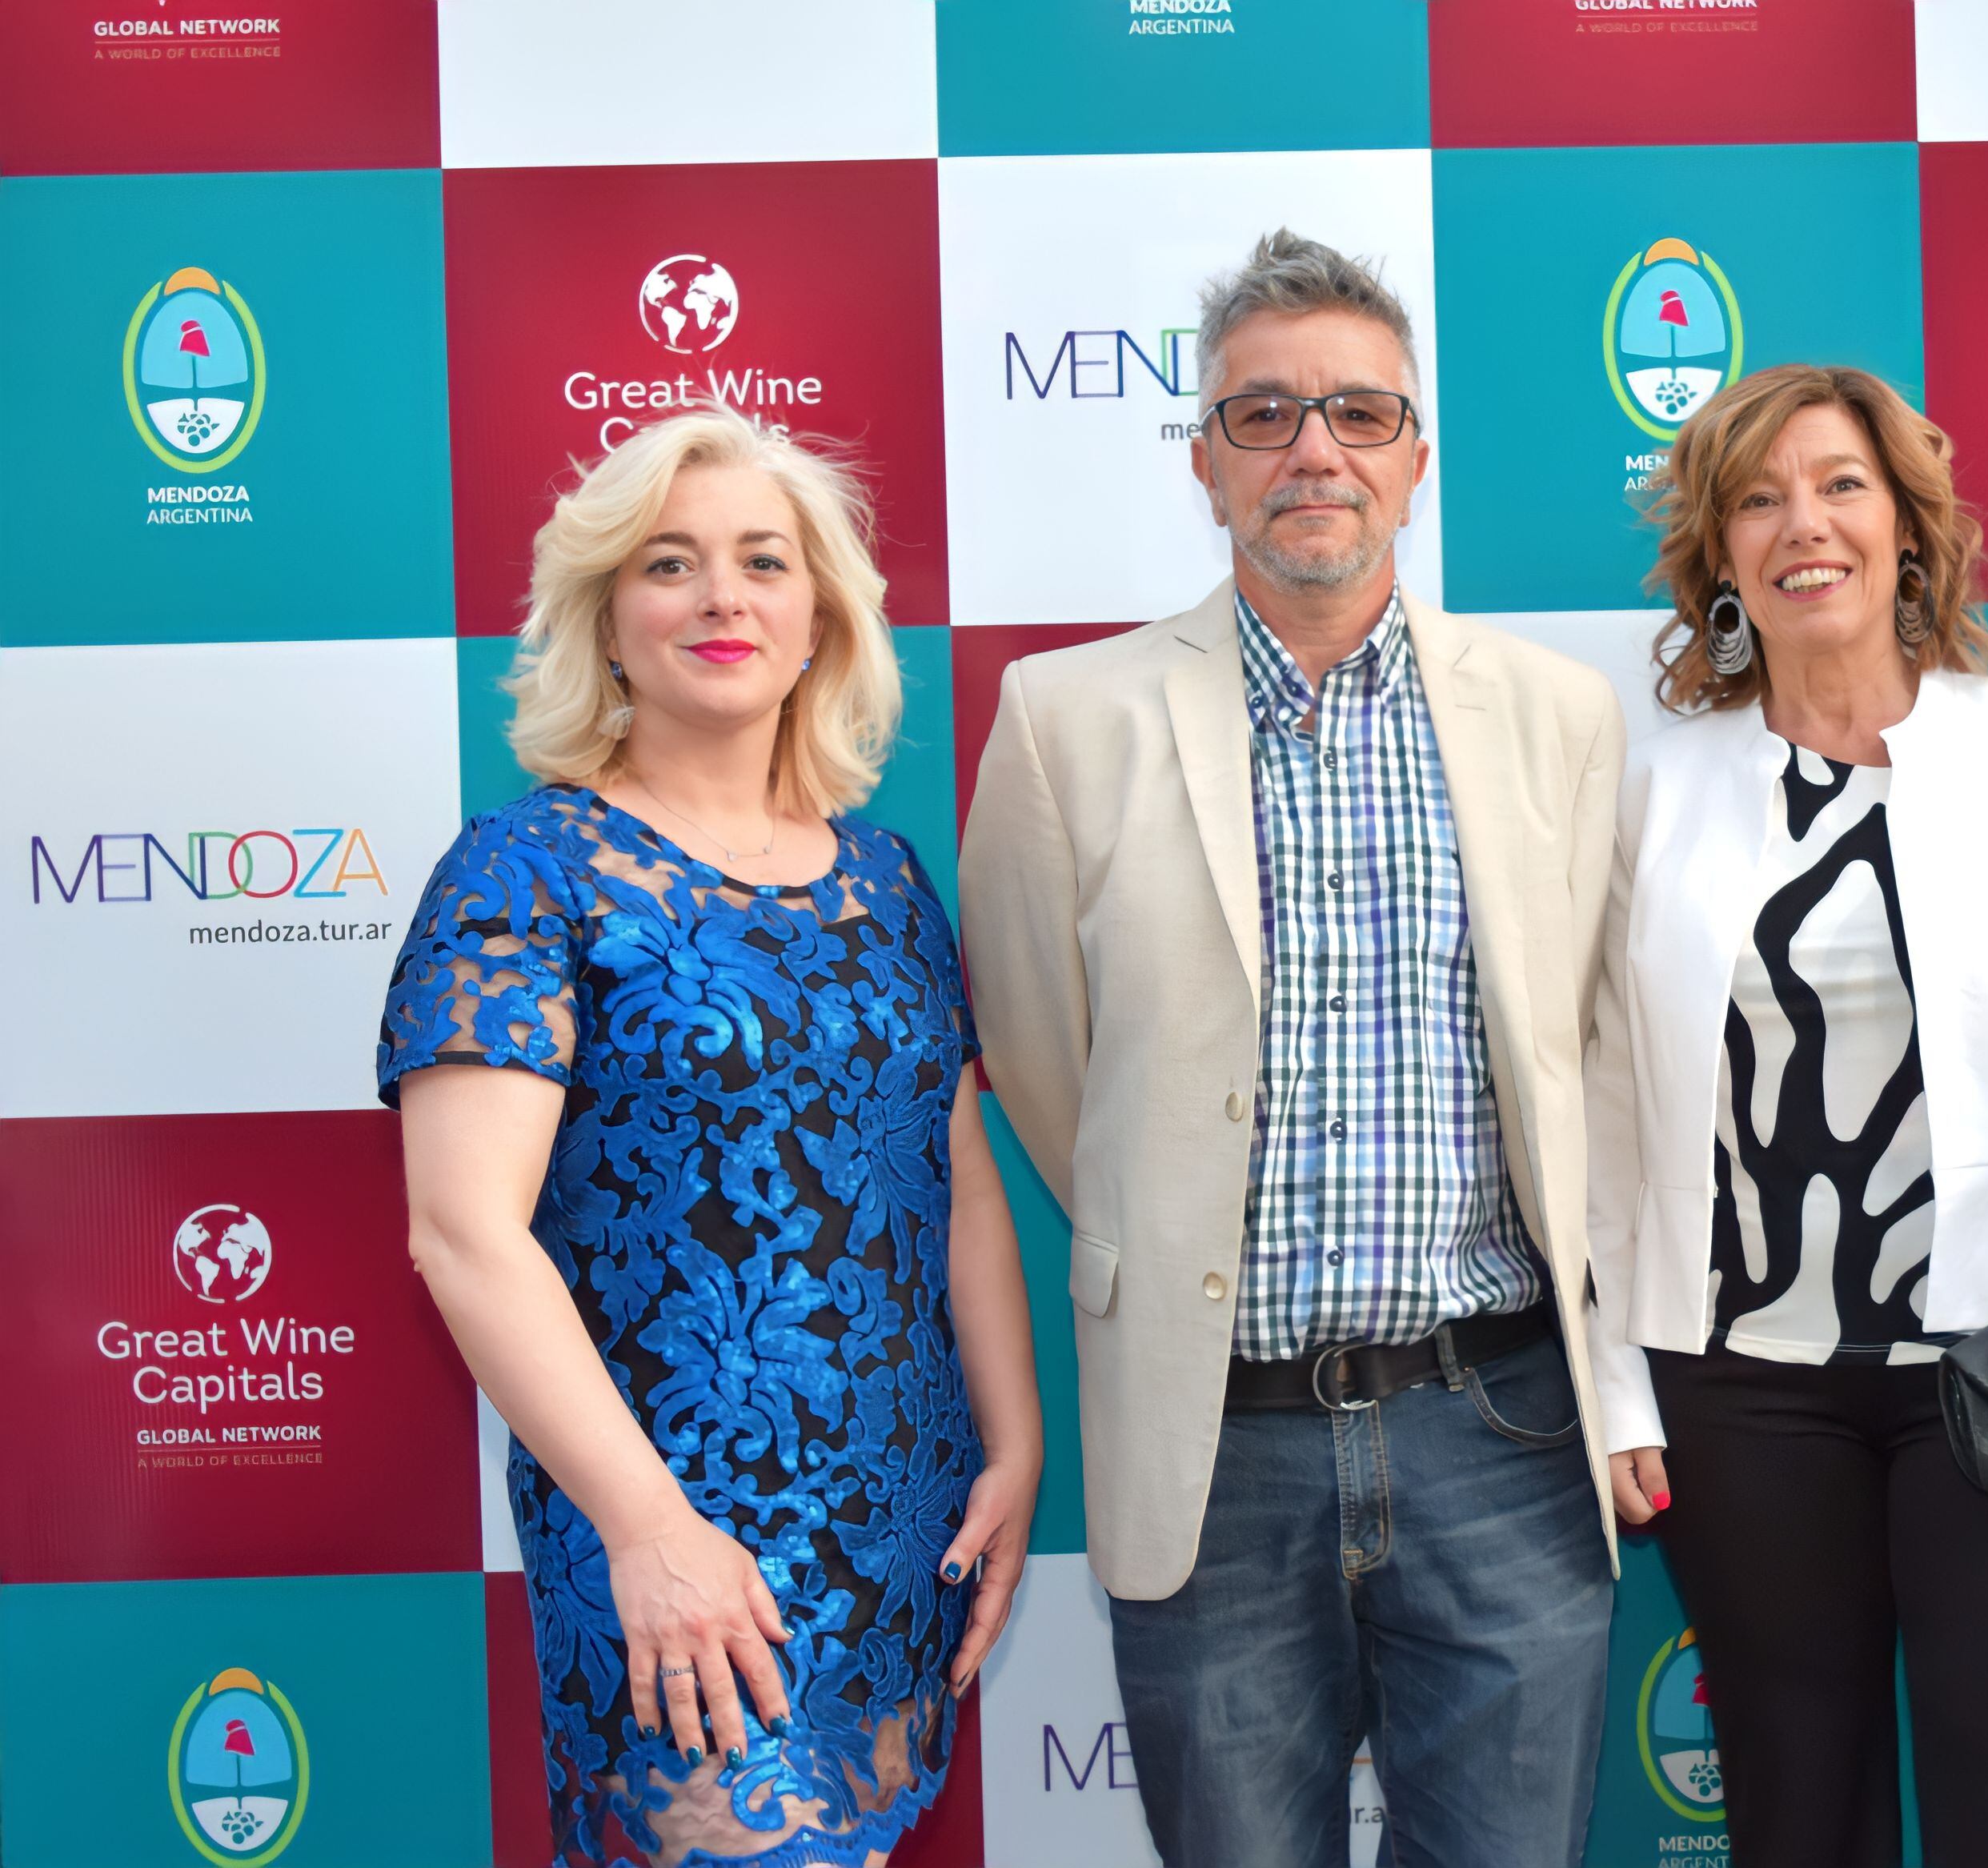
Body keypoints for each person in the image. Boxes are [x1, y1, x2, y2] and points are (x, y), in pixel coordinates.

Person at [960, 230, 1628, 1866]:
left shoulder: (1556, 713)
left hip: (1500, 1430)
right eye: (1261, 416)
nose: (1310, 449)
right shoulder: (1066, 721)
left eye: (1355, 412)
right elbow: (1051, 1079)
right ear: (1203, 463)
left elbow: (1593, 1046)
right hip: (1212, 1449)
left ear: (1413, 456)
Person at [379, 407, 1044, 1868]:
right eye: (671, 565)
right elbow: (464, 1232)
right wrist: (650, 1533)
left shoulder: (884, 873)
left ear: (821, 623)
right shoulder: (523, 873)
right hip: (672, 1529)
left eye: (764, 561)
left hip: (899, 1516)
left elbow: (956, 1174)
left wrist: (1016, 1439)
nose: (724, 596)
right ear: (609, 622)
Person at [1585, 363, 1988, 1866]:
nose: (1803, 523)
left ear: (1909, 529)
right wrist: (1614, 1383)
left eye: (1840, 485)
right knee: (1798, 1812)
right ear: (1721, 556)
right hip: (1735, 1385)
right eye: (1758, 498)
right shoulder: (1648, 792)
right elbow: (1606, 1103)